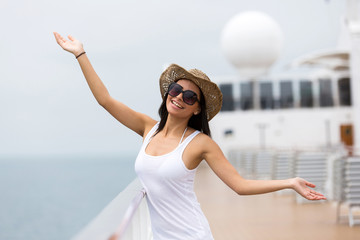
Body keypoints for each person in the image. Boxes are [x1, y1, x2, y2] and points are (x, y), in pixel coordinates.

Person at [53, 32, 326, 240]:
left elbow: (240, 186)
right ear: (167, 93)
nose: (179, 98)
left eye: (190, 96)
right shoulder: (148, 128)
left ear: (197, 109)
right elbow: (105, 100)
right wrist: (80, 54)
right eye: (175, 90)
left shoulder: (200, 143)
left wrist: (290, 182)